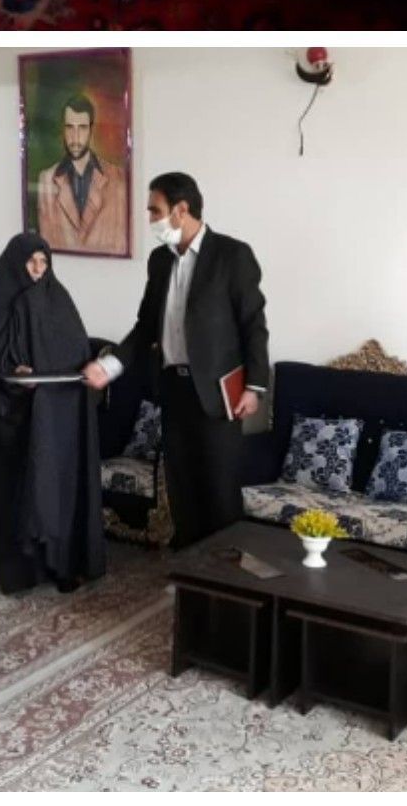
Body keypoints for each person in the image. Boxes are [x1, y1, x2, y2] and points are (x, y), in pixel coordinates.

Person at [82, 173, 270, 548]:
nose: (151, 219)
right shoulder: (159, 261)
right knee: (183, 493)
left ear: (181, 210)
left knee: (219, 495)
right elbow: (145, 326)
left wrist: (255, 386)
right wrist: (109, 365)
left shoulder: (232, 255)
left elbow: (254, 325)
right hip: (173, 391)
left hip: (218, 397)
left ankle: (224, 577)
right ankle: (189, 574)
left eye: (156, 210)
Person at [0, 233, 106, 594]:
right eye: (31, 261)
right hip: (16, 421)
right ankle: (23, 571)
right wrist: (15, 375)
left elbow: (78, 350)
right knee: (22, 493)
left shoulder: (59, 299)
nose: (38, 269)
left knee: (59, 492)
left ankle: (63, 565)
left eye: (44, 262)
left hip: (60, 418)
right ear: (16, 262)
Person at [34, 93, 128, 256]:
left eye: (82, 128)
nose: (75, 136)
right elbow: (46, 244)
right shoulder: (47, 179)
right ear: (63, 130)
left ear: (91, 130)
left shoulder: (118, 179)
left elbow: (121, 241)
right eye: (70, 127)